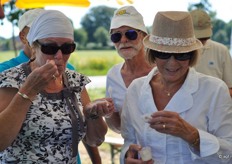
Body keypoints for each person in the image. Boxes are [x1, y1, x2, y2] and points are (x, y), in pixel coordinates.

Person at [0, 10, 114, 163]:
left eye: (67, 48)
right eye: (50, 48)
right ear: (34, 46)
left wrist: (92, 114)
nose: (59, 56)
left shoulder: (75, 81)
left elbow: (95, 140)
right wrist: (28, 91)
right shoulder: (11, 79)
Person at [120, 11, 232, 164]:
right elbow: (129, 140)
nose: (172, 63)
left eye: (181, 55)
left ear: (192, 55)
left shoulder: (215, 90)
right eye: (163, 54)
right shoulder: (136, 90)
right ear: (152, 53)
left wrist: (193, 136)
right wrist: (128, 156)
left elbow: (228, 155)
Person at [105, 6, 154, 133]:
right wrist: (108, 113)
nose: (123, 40)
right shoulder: (113, 75)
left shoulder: (161, 71)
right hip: (131, 150)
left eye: (130, 34)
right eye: (116, 36)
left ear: (144, 36)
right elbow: (119, 127)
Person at [0, 8, 75, 72]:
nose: (44, 35)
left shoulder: (68, 69)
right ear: (23, 37)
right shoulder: (4, 70)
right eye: (35, 31)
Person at [190, 9, 232, 96]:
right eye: (197, 39)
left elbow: (230, 87)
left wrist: (212, 101)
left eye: (204, 38)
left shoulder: (222, 50)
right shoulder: (177, 52)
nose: (200, 43)